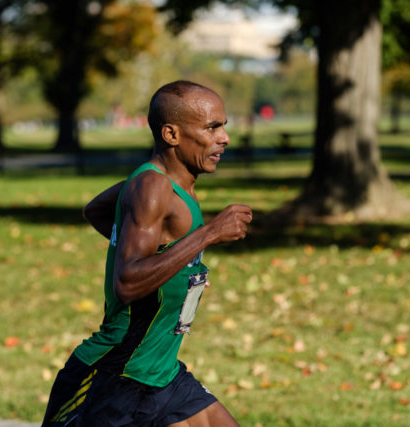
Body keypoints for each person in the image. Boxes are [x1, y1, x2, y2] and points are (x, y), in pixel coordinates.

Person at [42, 81, 252, 427]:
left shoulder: (168, 184)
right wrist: (208, 234)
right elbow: (127, 281)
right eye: (212, 127)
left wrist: (178, 269)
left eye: (223, 126)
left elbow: (96, 211)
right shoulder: (152, 186)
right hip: (114, 377)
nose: (224, 137)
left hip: (161, 375)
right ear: (172, 134)